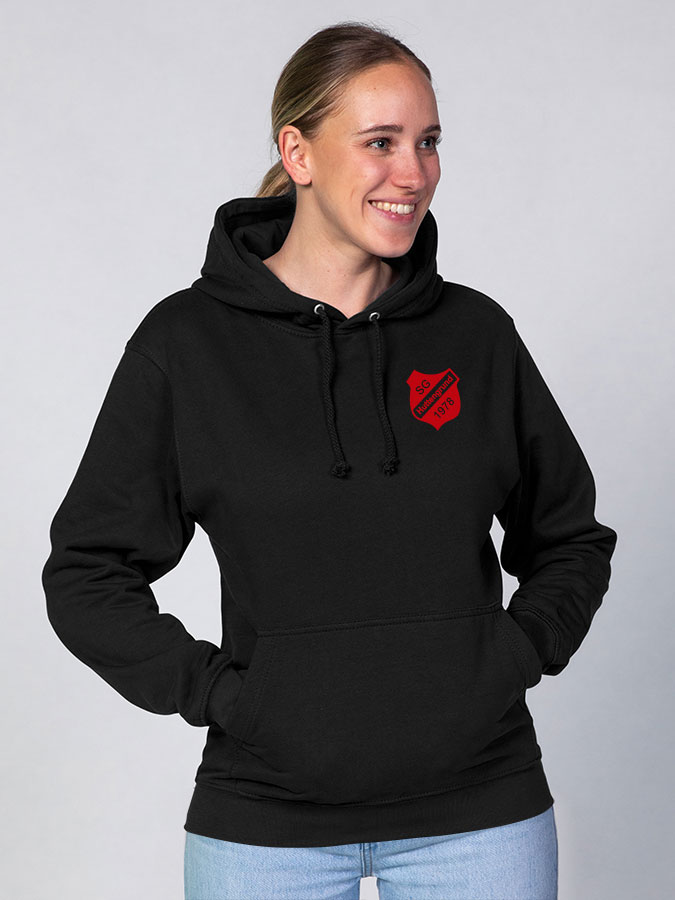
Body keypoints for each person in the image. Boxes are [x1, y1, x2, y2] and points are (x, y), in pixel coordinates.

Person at [42, 20, 618, 900]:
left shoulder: (475, 336)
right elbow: (87, 572)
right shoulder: (188, 346)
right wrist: (226, 697)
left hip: (481, 813)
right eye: (380, 142)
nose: (413, 172)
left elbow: (570, 537)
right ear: (298, 152)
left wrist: (509, 657)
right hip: (266, 823)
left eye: (427, 142)